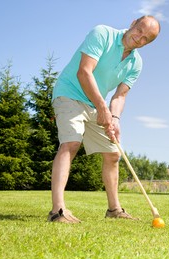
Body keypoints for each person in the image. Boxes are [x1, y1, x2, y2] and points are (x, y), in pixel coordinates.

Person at [47, 16, 160, 223]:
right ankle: (58, 210)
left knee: (113, 154)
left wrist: (114, 117)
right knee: (71, 143)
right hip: (69, 93)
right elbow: (84, 72)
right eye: (139, 30)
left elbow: (120, 95)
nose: (139, 38)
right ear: (133, 23)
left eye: (145, 39)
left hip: (93, 104)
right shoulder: (103, 33)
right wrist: (102, 107)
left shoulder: (136, 63)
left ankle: (114, 210)